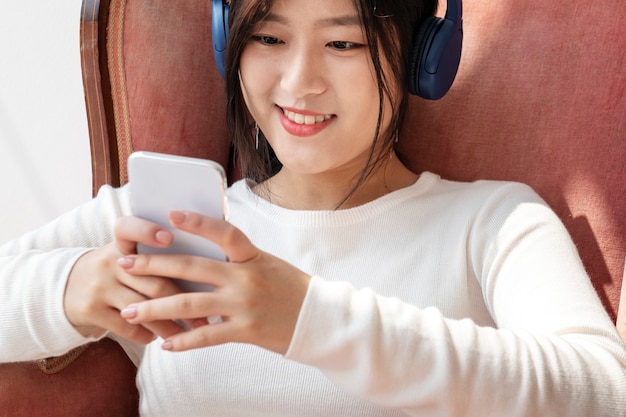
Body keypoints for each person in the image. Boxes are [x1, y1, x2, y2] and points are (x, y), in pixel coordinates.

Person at [1, 0, 625, 415]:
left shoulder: (492, 223)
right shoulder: (166, 221)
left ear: (420, 55)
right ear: (228, 42)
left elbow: (602, 390)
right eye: (269, 36)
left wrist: (306, 318)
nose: (299, 82)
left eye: (344, 43)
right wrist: (73, 289)